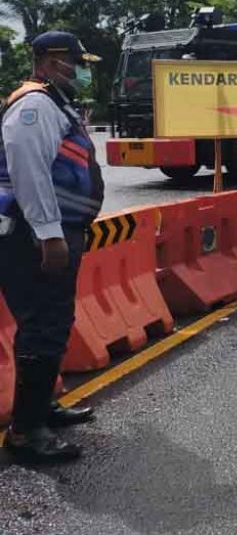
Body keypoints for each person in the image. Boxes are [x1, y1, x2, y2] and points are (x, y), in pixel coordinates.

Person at [0, 31, 105, 463]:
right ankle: (25, 433)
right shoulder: (34, 105)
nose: (80, 69)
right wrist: (49, 233)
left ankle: (41, 408)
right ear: (49, 61)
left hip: (50, 231)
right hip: (31, 235)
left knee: (53, 321)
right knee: (43, 326)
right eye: (75, 62)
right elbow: (29, 171)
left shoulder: (55, 102)